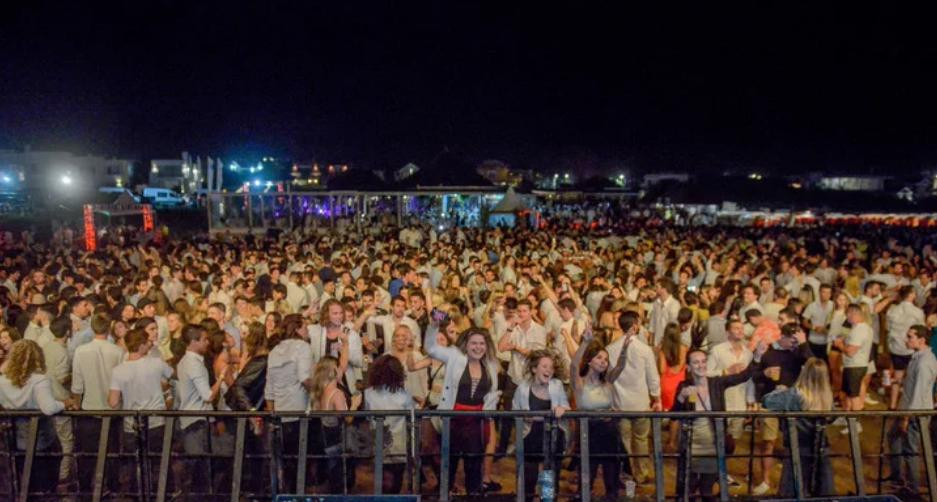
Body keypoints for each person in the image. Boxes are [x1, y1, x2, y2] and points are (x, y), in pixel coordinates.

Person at [672, 341, 766, 501]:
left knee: (708, 488)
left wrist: (757, 357)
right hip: (691, 445)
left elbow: (743, 376)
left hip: (714, 445)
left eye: (703, 361)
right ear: (688, 367)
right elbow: (674, 415)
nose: (701, 365)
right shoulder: (684, 386)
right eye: (696, 362)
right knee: (688, 489)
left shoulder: (716, 383)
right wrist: (681, 398)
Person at [424, 319, 501, 496]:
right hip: (453, 421)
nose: (478, 347)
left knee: (473, 468)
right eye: (474, 343)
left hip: (476, 424)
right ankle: (444, 496)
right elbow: (431, 348)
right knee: (448, 466)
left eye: (481, 343)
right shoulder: (454, 357)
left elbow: (491, 396)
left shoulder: (490, 365)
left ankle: (472, 497)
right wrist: (434, 326)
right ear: (466, 344)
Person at [0, 340, 74, 495]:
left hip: (16, 439)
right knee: (46, 482)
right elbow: (48, 408)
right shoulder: (39, 380)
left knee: (26, 483)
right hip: (42, 438)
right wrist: (64, 404)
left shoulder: (2, 381)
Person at [107, 328, 173, 493]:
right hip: (156, 421)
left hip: (131, 425)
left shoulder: (118, 370)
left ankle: (138, 493)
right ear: (142, 345)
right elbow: (172, 375)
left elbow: (113, 402)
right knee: (160, 462)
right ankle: (163, 493)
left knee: (135, 464)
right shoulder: (156, 363)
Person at [761, 358, 835, 497]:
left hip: (797, 449)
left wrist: (779, 391)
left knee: (792, 492)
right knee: (823, 493)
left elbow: (767, 401)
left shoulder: (794, 395)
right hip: (821, 448)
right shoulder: (828, 397)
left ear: (804, 372)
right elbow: (832, 417)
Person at [71, 312, 124, 495]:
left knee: (87, 455)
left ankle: (86, 489)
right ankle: (113, 487)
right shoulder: (117, 351)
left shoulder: (81, 351)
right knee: (112, 452)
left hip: (89, 409)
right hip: (113, 409)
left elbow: (77, 385)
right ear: (109, 328)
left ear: (92, 328)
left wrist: (75, 404)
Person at [571, 329, 627, 499]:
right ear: (589, 361)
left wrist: (625, 349)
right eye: (599, 358)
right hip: (589, 432)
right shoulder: (579, 384)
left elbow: (620, 367)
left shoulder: (607, 382)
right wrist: (586, 343)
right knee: (587, 476)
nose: (603, 362)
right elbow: (573, 365)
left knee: (611, 477)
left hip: (609, 432)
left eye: (605, 359)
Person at [607, 311, 661, 484]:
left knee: (624, 442)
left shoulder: (611, 348)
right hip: (640, 403)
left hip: (619, 403)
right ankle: (641, 472)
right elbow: (652, 377)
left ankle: (627, 473)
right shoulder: (644, 349)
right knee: (641, 439)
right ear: (635, 326)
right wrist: (656, 397)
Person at [264, 314, 314, 492]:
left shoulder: (274, 351)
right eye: (306, 326)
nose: (308, 330)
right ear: (298, 328)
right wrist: (321, 390)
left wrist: (273, 417)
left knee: (287, 465)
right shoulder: (302, 347)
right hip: (299, 412)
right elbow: (304, 378)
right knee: (302, 464)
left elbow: (269, 389)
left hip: (280, 414)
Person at [885, 325, 937, 495]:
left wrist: (907, 418)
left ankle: (912, 487)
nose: (907, 340)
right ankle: (898, 477)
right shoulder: (918, 358)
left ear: (921, 340)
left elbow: (918, 393)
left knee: (910, 448)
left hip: (915, 414)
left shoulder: (924, 363)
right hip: (907, 410)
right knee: (894, 438)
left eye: (910, 337)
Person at [177, 323, 228, 494]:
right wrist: (221, 378)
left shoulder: (187, 362)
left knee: (205, 467)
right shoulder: (194, 364)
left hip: (195, 419)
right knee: (201, 469)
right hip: (196, 422)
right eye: (204, 339)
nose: (208, 342)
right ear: (193, 341)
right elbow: (208, 396)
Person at [512, 349, 570, 499]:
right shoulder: (523, 388)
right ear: (533, 369)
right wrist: (524, 415)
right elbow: (514, 411)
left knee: (548, 483)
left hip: (552, 438)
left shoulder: (557, 385)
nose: (548, 370)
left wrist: (561, 408)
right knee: (528, 480)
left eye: (551, 367)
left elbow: (566, 406)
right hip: (530, 437)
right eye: (544, 366)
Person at [364, 354, 415, 494]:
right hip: (399, 445)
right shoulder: (405, 395)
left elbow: (368, 417)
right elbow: (412, 420)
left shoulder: (368, 394)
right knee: (396, 481)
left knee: (381, 481)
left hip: (378, 443)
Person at [309, 356, 351, 494]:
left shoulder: (319, 393)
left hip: (325, 443)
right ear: (334, 370)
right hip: (336, 444)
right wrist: (355, 404)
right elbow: (348, 418)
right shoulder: (336, 394)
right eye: (339, 368)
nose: (342, 371)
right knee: (338, 484)